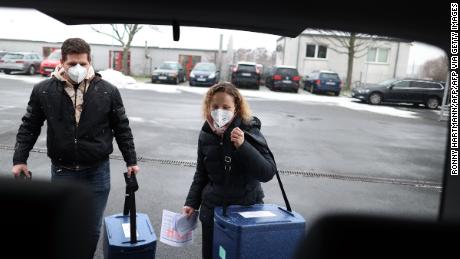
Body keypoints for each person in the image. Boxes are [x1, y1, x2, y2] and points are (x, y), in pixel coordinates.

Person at [11, 38, 140, 257]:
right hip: (63, 171)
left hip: (97, 172)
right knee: (64, 227)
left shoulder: (108, 91)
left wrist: (131, 161)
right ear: (62, 62)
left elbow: (122, 128)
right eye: (72, 64)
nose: (77, 68)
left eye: (82, 63)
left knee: (91, 229)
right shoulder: (44, 90)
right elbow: (29, 126)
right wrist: (20, 159)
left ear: (90, 61)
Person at [182, 82, 276, 259]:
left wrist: (243, 146)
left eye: (226, 107)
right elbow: (201, 173)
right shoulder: (206, 133)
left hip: (245, 210)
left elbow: (267, 172)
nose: (220, 111)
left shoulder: (248, 130)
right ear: (208, 107)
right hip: (212, 211)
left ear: (236, 108)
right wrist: (191, 203)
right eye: (215, 106)